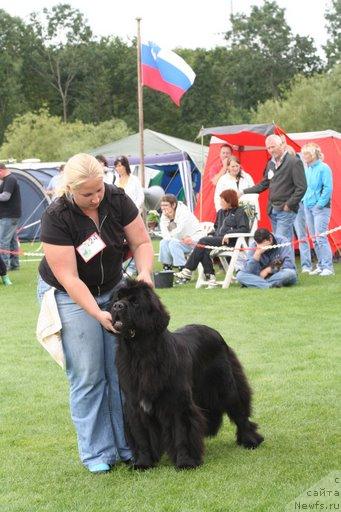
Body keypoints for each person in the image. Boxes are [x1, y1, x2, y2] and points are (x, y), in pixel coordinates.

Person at [37, 153, 154, 473]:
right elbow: (69, 278)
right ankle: (97, 452)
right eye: (87, 194)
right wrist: (97, 313)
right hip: (71, 296)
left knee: (120, 373)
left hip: (114, 289)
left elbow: (142, 241)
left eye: (99, 189)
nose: (96, 198)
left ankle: (128, 444)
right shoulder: (57, 216)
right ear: (70, 189)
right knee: (89, 375)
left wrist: (144, 273)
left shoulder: (117, 199)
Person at [174, 189, 249, 286]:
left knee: (203, 241)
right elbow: (216, 229)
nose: (220, 202)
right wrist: (211, 234)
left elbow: (244, 229)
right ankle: (210, 276)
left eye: (222, 200)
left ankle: (187, 270)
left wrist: (229, 234)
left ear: (229, 200)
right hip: (219, 240)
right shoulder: (220, 213)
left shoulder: (240, 212)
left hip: (232, 241)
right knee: (204, 248)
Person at [241, 134, 307, 245]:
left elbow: (302, 187)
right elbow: (264, 184)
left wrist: (289, 205)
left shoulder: (294, 162)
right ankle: (288, 263)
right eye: (269, 148)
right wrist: (243, 192)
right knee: (284, 242)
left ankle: (285, 262)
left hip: (285, 210)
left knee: (280, 242)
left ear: (281, 145)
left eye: (273, 147)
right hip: (272, 209)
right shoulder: (270, 163)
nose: (271, 150)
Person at [301, 143, 334, 276]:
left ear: (313, 154)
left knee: (321, 237)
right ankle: (320, 265)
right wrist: (305, 201)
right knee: (314, 238)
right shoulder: (308, 169)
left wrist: (320, 204)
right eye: (304, 154)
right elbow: (308, 188)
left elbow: (328, 188)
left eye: (307, 154)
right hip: (308, 206)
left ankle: (328, 267)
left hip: (321, 208)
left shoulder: (324, 168)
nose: (305, 157)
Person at [158, 194, 206, 272]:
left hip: (195, 239)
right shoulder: (165, 213)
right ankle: (167, 268)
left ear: (173, 205)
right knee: (163, 242)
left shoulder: (183, 212)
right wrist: (168, 237)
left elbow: (179, 230)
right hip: (181, 240)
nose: (163, 208)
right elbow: (164, 232)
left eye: (166, 205)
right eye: (162, 205)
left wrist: (171, 220)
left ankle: (183, 270)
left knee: (173, 243)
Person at [0, 163, 22, 271]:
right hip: (11, 215)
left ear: (0, 170)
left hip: (9, 215)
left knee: (3, 241)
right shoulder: (8, 179)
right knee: (12, 241)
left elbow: (5, 197)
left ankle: (4, 266)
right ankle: (15, 264)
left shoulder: (10, 179)